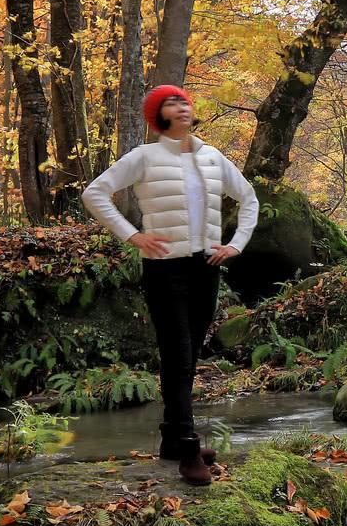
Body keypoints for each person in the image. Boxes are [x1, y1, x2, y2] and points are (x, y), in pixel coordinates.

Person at [83, 85, 258, 484]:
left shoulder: (212, 156)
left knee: (190, 356)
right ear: (159, 117)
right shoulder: (145, 157)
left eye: (184, 101)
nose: (181, 107)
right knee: (177, 355)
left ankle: (170, 439)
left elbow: (248, 198)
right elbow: (95, 193)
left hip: (206, 267)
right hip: (165, 268)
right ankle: (189, 449)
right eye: (171, 103)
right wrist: (132, 235)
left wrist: (235, 245)